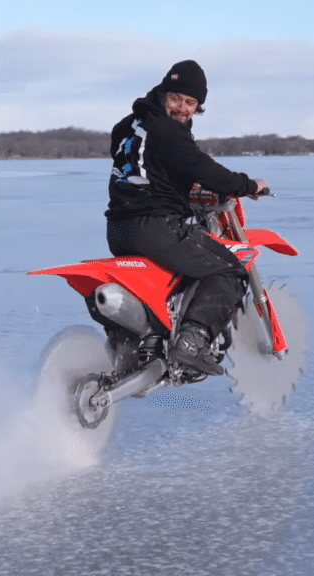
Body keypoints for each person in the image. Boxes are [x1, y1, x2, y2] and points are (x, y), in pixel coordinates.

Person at [106, 60, 269, 376]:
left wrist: (168, 183)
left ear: (199, 107)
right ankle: (190, 344)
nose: (182, 108)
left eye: (190, 102)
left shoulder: (132, 124)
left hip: (118, 229)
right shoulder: (167, 131)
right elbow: (205, 169)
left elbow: (132, 151)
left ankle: (146, 342)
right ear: (165, 93)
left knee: (167, 279)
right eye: (177, 98)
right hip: (156, 229)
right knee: (230, 271)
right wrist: (249, 185)